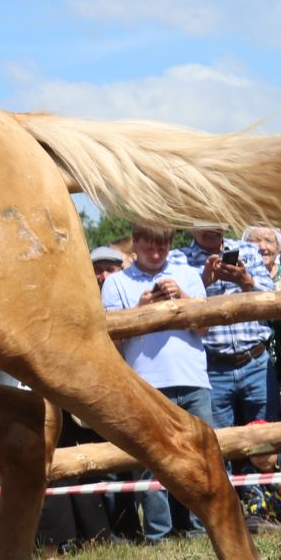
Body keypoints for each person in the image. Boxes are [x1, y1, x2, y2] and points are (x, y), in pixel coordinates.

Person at [102, 223, 212, 541]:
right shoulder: (116, 284)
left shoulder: (188, 274)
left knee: (200, 456)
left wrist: (184, 299)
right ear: (134, 243)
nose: (156, 253)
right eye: (149, 246)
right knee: (152, 463)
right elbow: (113, 341)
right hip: (145, 383)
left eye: (162, 247)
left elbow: (205, 328)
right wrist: (142, 309)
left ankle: (200, 529)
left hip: (193, 378)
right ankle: (158, 535)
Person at [178, 226, 276, 428]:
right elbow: (175, 307)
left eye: (216, 224)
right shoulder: (179, 259)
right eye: (204, 225)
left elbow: (272, 296)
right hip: (211, 368)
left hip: (255, 361)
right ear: (190, 226)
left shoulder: (248, 250)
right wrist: (203, 282)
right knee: (220, 446)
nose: (212, 230)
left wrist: (246, 282)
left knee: (270, 441)